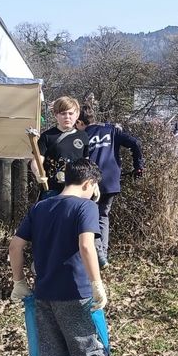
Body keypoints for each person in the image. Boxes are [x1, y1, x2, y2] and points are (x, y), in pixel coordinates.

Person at [9, 158, 115, 356]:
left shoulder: (42, 207)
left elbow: (16, 244)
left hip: (44, 293)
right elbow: (86, 245)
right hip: (76, 293)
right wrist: (96, 283)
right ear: (89, 183)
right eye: (95, 186)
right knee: (92, 354)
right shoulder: (85, 207)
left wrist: (19, 281)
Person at [76, 102, 144, 268]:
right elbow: (135, 143)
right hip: (111, 181)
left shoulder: (82, 136)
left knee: (90, 217)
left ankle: (98, 254)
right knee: (103, 216)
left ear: (80, 122)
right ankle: (103, 255)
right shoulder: (111, 130)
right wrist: (138, 166)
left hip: (90, 181)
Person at [32, 96, 91, 199]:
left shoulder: (83, 136)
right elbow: (37, 160)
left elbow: (87, 164)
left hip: (76, 190)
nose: (67, 117)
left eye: (70, 113)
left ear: (77, 115)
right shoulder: (47, 136)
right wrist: (38, 173)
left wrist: (92, 183)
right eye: (63, 113)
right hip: (52, 190)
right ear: (56, 115)